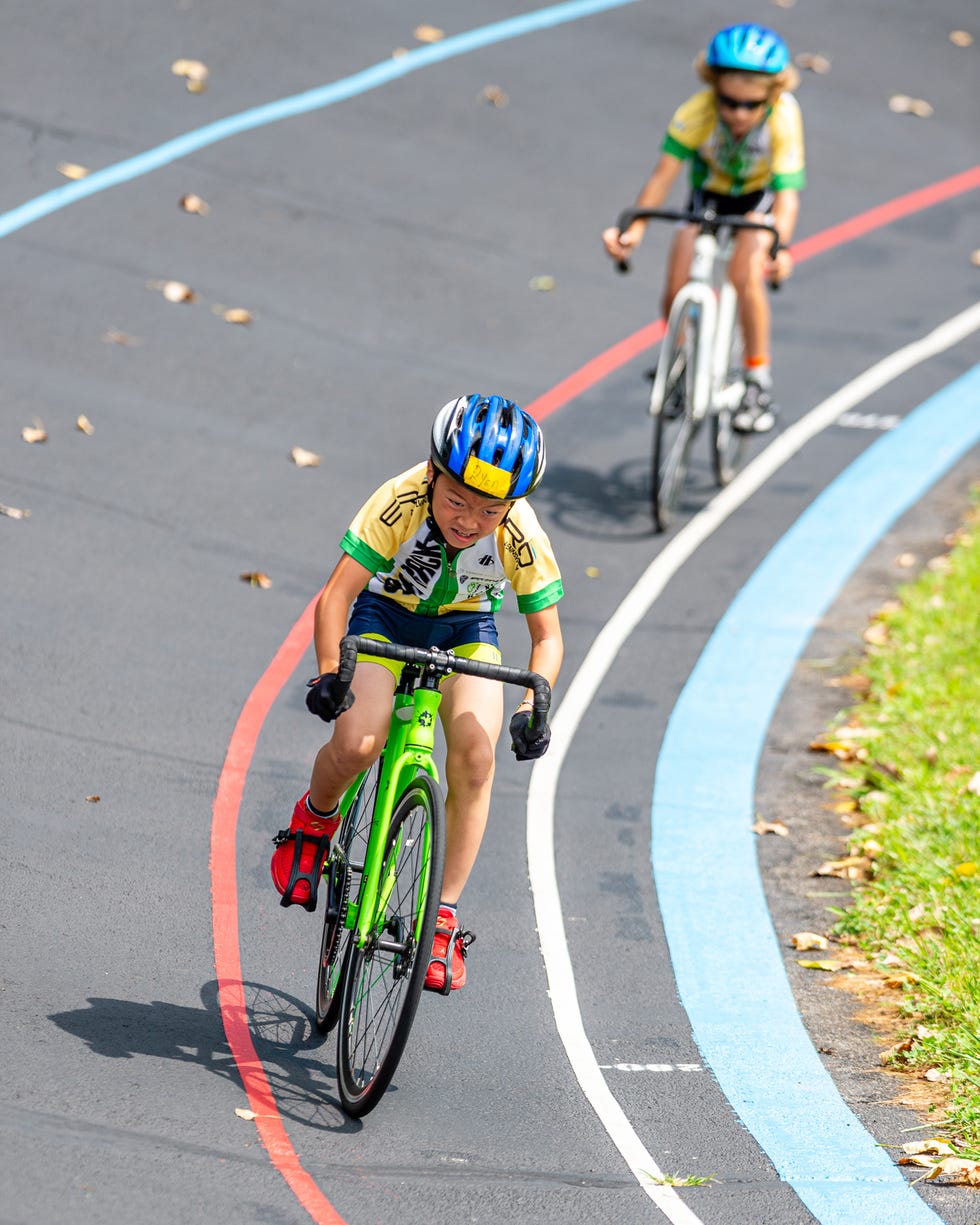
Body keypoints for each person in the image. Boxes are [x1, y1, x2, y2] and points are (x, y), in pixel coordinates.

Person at [271, 394, 564, 992]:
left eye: (489, 511)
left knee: (477, 759)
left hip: (466, 628)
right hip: (386, 618)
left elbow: (547, 637)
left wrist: (535, 706)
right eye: (456, 499)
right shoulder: (398, 500)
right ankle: (313, 822)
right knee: (359, 741)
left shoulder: (522, 533)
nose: (469, 521)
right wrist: (330, 670)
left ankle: (442, 918)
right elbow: (336, 597)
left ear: (512, 506)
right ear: (432, 475)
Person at [602, 22, 805, 434]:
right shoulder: (696, 112)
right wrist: (634, 231)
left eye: (751, 105)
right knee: (676, 282)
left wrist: (779, 248)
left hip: (754, 200)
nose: (738, 114)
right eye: (729, 102)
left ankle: (756, 380)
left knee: (745, 273)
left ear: (773, 94)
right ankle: (678, 367)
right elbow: (662, 177)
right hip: (708, 197)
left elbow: (786, 196)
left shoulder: (784, 118)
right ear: (714, 88)